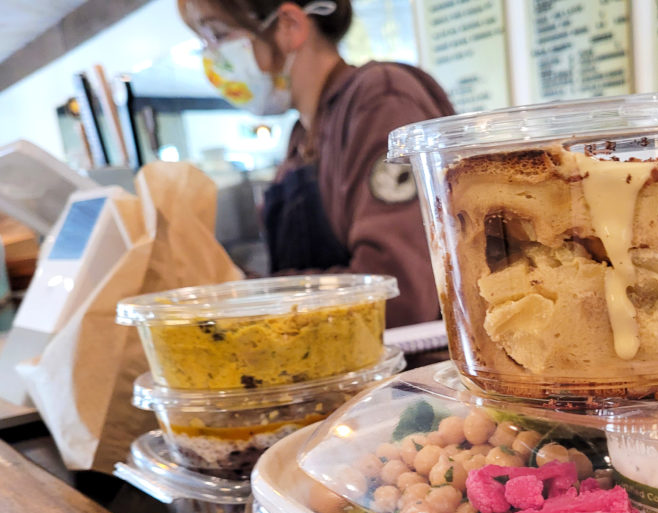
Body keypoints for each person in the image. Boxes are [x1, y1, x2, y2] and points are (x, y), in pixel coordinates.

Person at [180, 0, 455, 327]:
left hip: (405, 368)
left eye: (218, 34)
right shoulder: (300, 138)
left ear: (290, 25)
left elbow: (400, 293)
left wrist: (249, 297)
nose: (210, 56)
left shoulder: (381, 97)